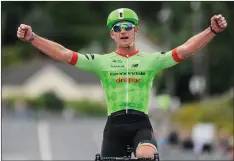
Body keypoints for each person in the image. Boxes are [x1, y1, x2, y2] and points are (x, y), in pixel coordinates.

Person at [17, 8, 227, 159]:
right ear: (112, 34)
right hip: (114, 126)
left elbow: (186, 49)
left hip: (140, 124)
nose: (123, 31)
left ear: (136, 31)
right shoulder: (102, 62)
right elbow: (63, 54)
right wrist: (32, 38)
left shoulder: (151, 60)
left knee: (147, 155)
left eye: (128, 26)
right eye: (117, 28)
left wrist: (212, 30)